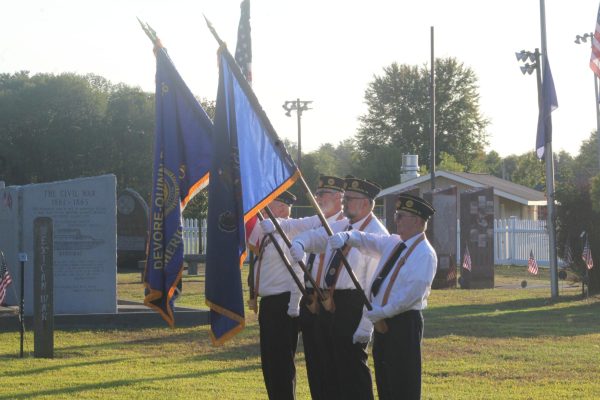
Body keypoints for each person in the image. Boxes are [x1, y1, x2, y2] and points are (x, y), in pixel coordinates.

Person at [328, 192, 437, 400]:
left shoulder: (424, 253)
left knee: (403, 382)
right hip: (382, 320)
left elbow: (411, 295)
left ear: (416, 220)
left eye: (400, 216)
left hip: (403, 321)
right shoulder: (395, 243)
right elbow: (369, 241)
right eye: (396, 215)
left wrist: (383, 312)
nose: (396, 220)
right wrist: (349, 236)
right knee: (385, 380)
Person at [289, 176, 388, 400]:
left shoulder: (376, 233)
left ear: (365, 203)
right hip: (331, 303)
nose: (345, 203)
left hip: (353, 304)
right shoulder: (344, 226)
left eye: (350, 199)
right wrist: (300, 243)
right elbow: (317, 236)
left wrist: (366, 325)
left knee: (352, 370)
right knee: (330, 367)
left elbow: (373, 287)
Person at [258, 174, 346, 400]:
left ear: (338, 197)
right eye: (317, 194)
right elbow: (294, 224)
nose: (318, 198)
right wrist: (276, 224)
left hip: (334, 302)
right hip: (310, 303)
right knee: (315, 366)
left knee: (333, 366)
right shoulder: (317, 220)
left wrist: (291, 305)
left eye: (323, 194)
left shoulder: (343, 223)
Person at [251, 190, 304, 400]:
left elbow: (299, 270)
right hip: (269, 304)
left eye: (269, 205)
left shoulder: (290, 234)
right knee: (270, 364)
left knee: (281, 364)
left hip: (283, 305)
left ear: (282, 208)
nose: (263, 209)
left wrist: (294, 305)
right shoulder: (268, 232)